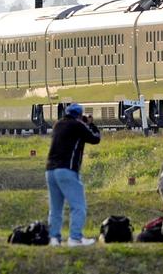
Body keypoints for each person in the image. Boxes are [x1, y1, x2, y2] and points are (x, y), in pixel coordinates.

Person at [46, 103, 101, 247]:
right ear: (79, 114)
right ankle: (75, 238)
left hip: (50, 170)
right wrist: (91, 124)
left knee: (55, 208)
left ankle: (54, 238)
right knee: (78, 206)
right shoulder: (78, 125)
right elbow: (95, 138)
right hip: (67, 170)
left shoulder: (58, 124)